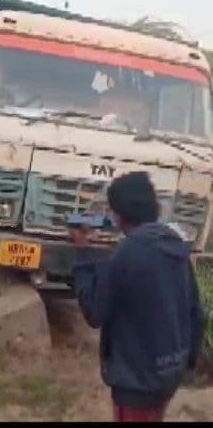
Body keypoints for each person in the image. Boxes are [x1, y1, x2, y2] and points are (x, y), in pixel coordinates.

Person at [69, 172, 205, 422]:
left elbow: (94, 312)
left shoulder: (127, 253)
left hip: (136, 383)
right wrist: (186, 366)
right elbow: (197, 314)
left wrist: (83, 254)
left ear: (120, 215)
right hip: (168, 375)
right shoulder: (176, 248)